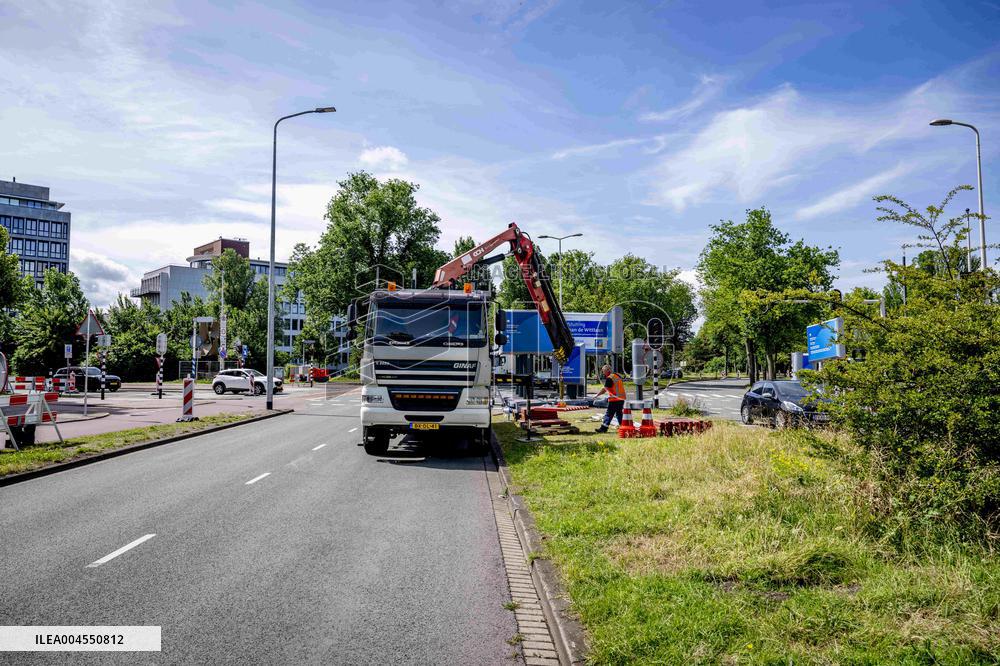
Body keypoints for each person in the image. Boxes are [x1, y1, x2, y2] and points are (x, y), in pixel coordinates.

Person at [594, 364, 626, 433]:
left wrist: (597, 395)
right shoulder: (617, 376)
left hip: (614, 399)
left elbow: (604, 389)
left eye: (604, 371)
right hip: (621, 398)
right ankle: (623, 427)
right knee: (619, 414)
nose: (603, 373)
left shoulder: (609, 378)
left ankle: (603, 428)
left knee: (609, 414)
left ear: (608, 370)